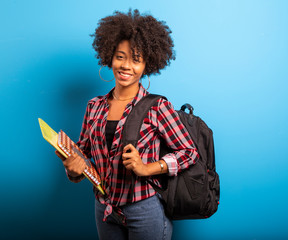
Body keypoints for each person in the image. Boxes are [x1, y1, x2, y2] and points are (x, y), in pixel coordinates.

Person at [55, 9, 199, 240]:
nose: (126, 66)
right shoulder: (94, 106)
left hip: (144, 209)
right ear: (109, 56)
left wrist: (147, 168)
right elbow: (83, 156)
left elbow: (189, 153)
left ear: (147, 65)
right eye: (120, 56)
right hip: (104, 209)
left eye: (136, 59)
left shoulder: (156, 106)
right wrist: (73, 169)